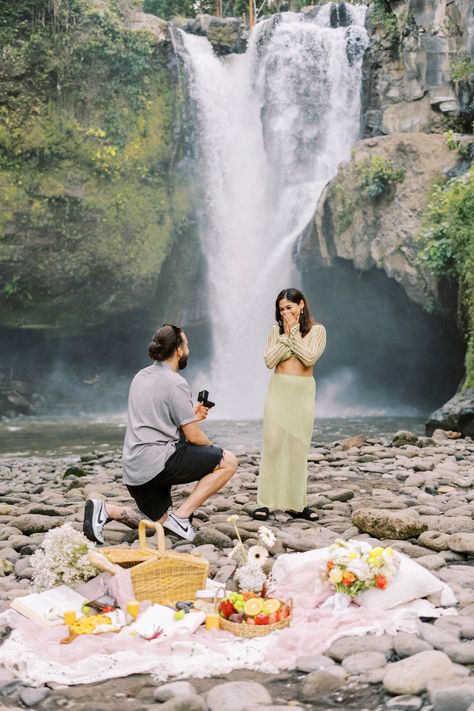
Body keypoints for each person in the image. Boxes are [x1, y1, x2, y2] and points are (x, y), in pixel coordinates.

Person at [83, 324, 238, 544]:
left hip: (135, 472)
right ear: (179, 351)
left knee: (161, 528)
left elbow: (155, 420)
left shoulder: (140, 376)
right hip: (157, 465)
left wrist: (189, 416)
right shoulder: (176, 383)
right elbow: (193, 437)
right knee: (228, 461)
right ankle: (182, 518)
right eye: (187, 344)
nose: (188, 349)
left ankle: (107, 510)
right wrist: (215, 453)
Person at [253, 288, 326, 522]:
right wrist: (286, 335)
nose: (285, 312)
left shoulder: (317, 331)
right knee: (272, 444)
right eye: (281, 309)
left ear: (301, 305)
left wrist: (294, 332)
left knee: (298, 447)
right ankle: (265, 503)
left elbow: (309, 358)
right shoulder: (275, 331)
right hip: (279, 390)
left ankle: (297, 504)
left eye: (289, 307)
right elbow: (269, 360)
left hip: (302, 392)